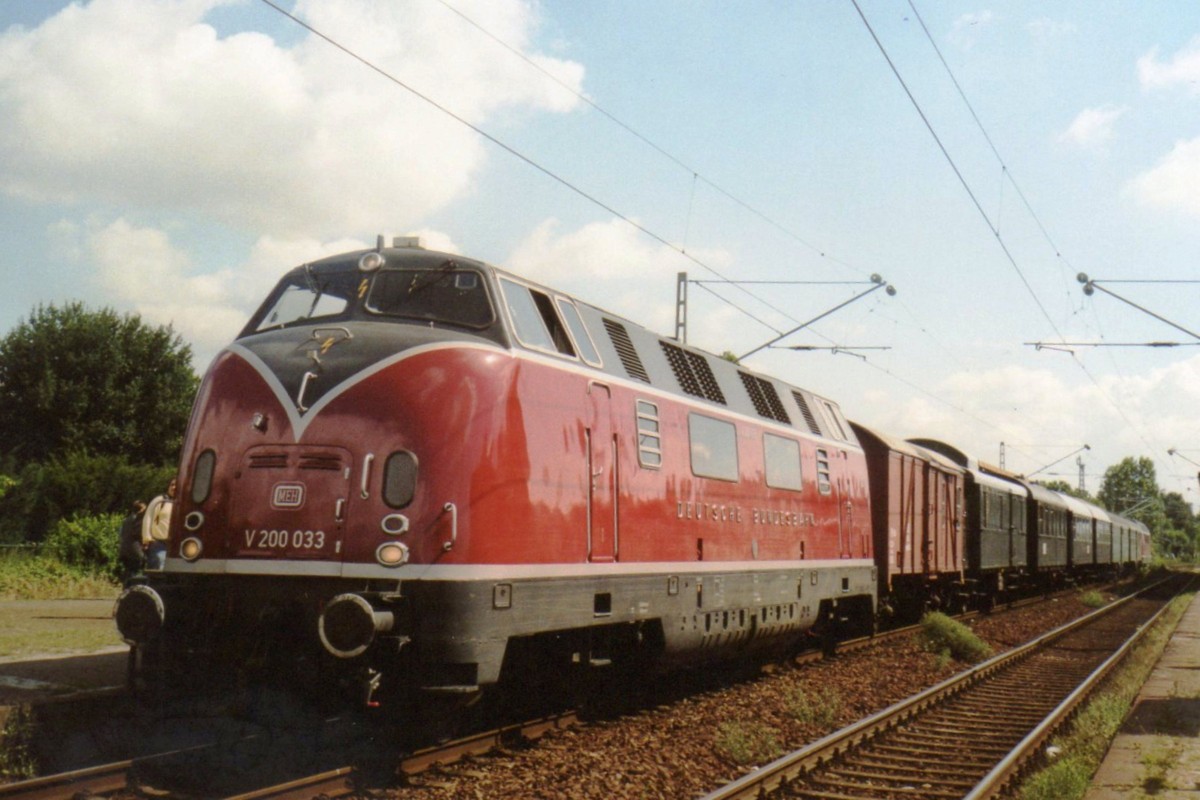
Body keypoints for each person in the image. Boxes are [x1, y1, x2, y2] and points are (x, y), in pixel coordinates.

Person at [142, 478, 176, 570]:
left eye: (177, 485)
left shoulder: (183, 503)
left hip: (175, 545)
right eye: (172, 485)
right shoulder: (160, 501)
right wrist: (147, 539)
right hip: (159, 543)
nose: (174, 487)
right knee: (159, 567)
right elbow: (148, 518)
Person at [119, 500, 147, 583]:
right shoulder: (138, 520)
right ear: (141, 510)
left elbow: (122, 534)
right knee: (135, 573)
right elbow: (138, 534)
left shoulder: (126, 520)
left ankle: (126, 587)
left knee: (128, 572)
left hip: (123, 550)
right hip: (134, 551)